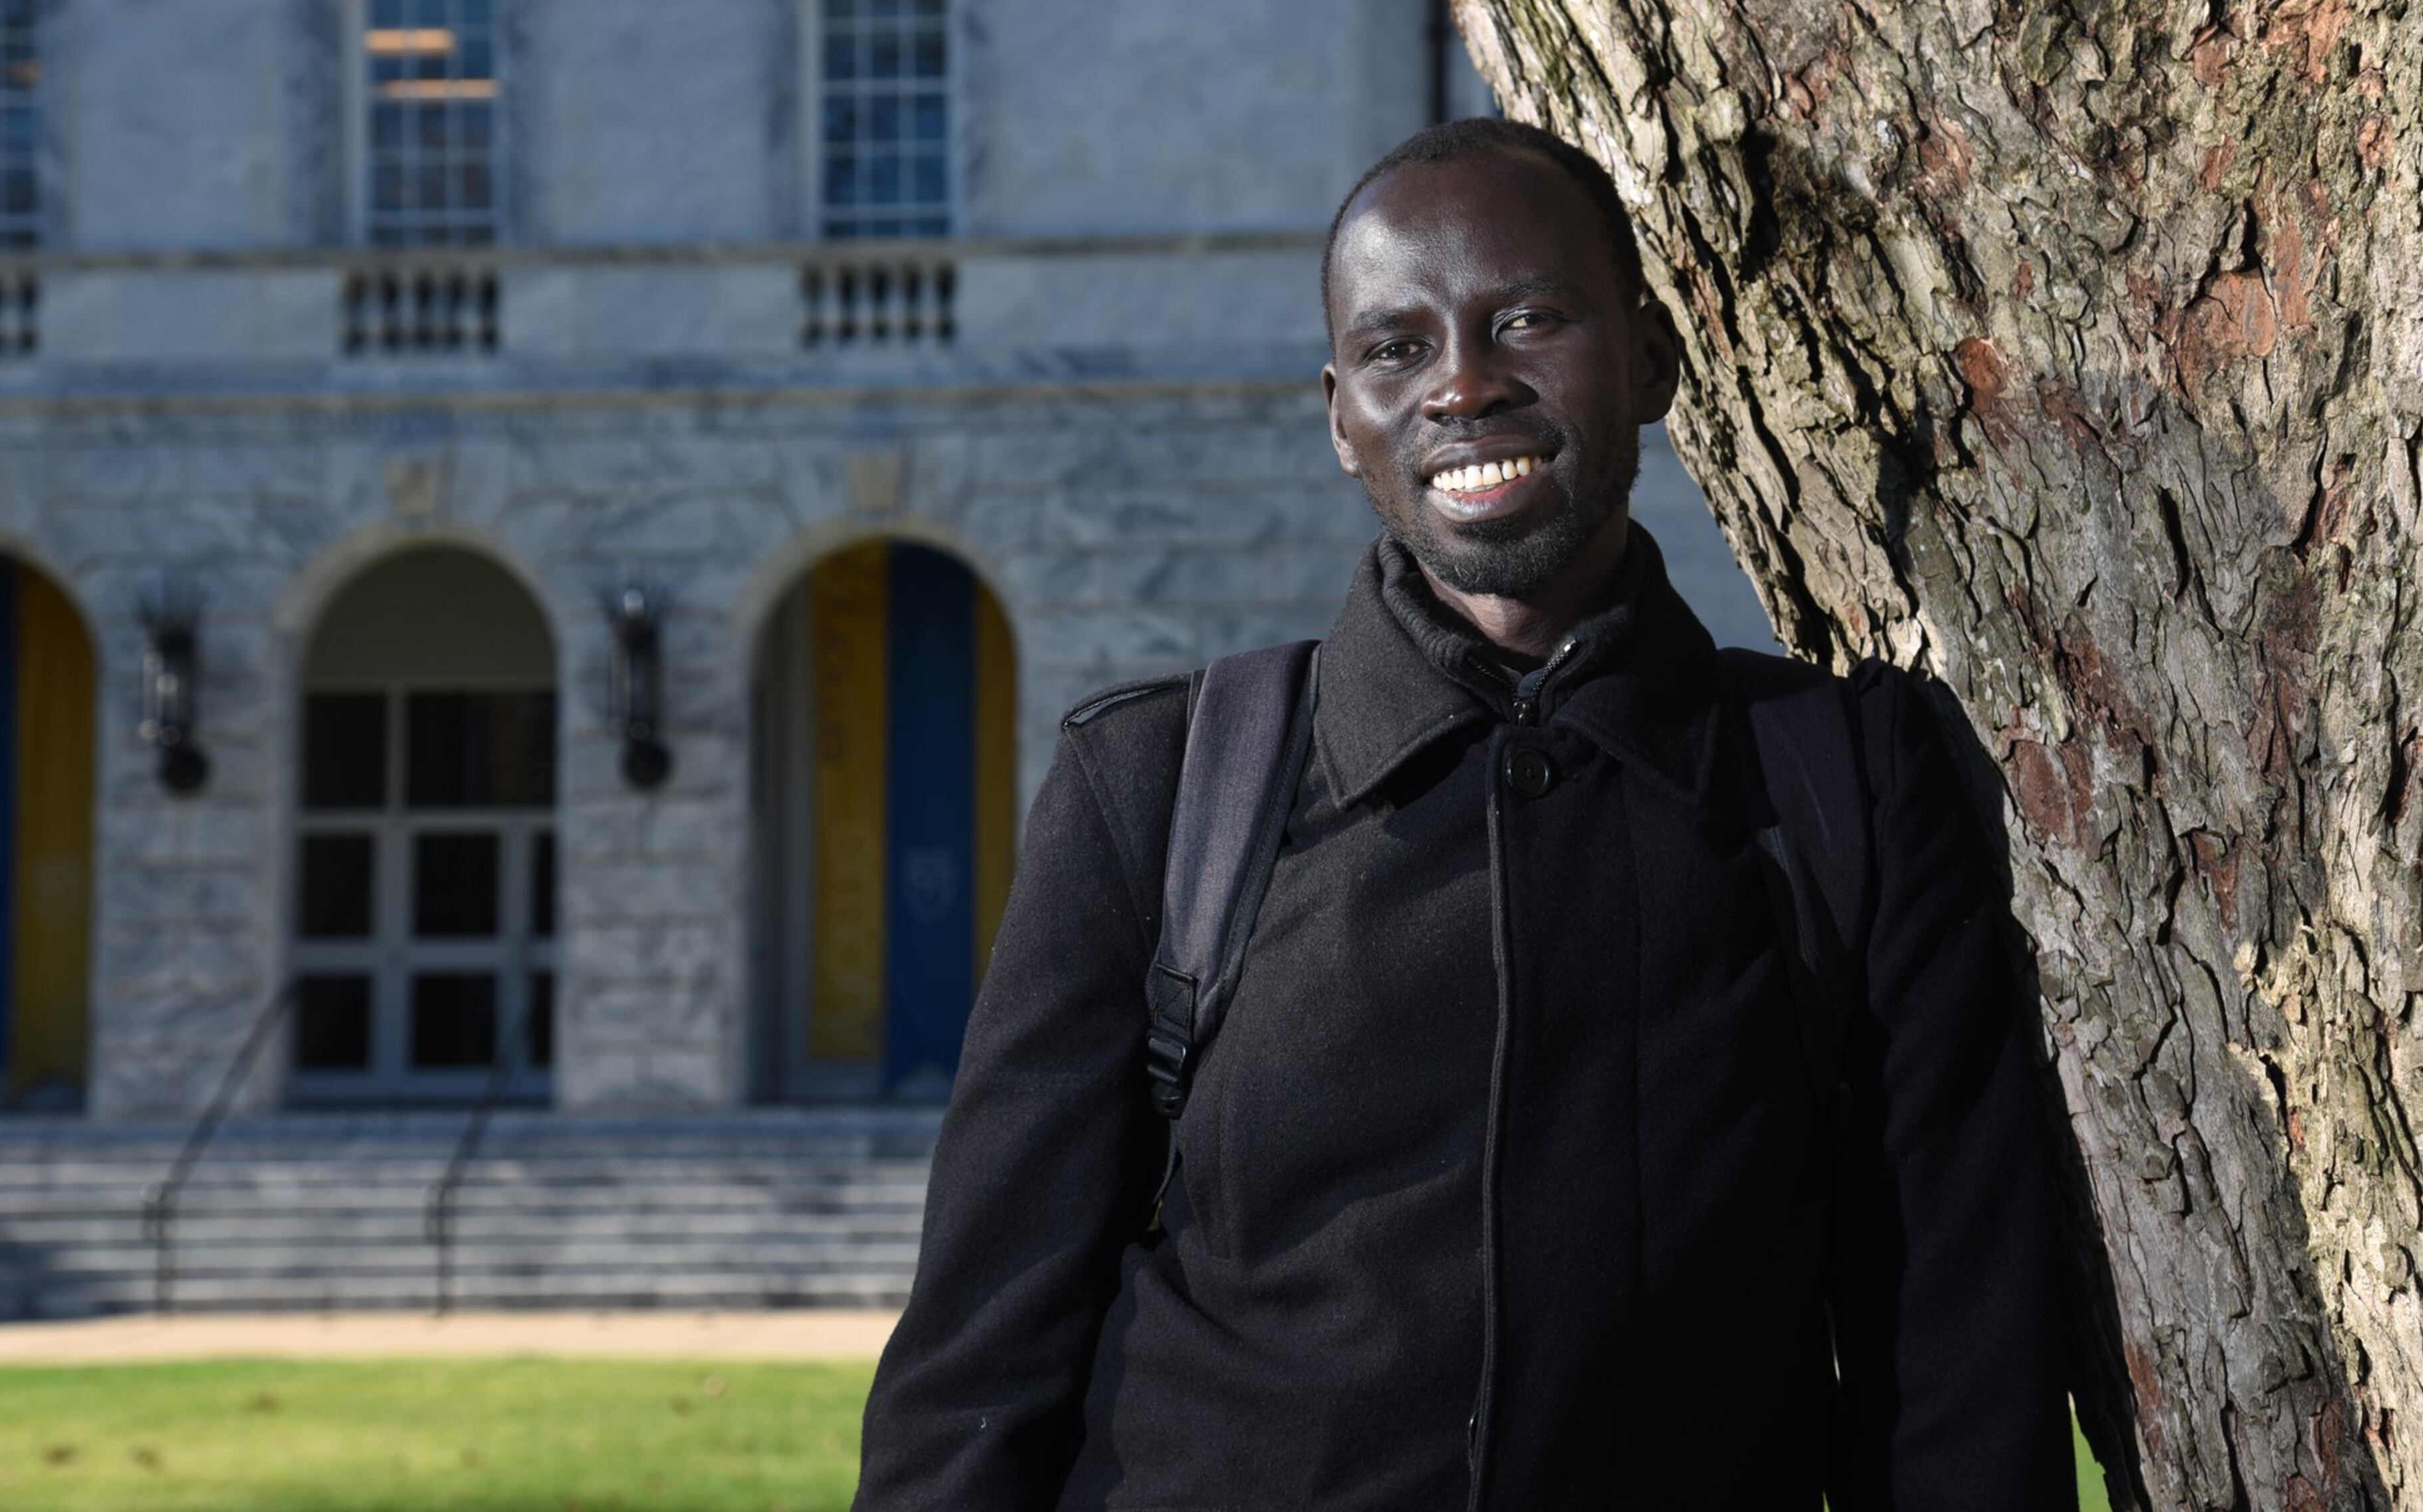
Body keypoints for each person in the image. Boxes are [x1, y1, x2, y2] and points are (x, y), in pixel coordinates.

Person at [851, 118, 2071, 1511]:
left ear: (1654, 356)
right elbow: (977, 1366)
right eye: (1396, 349)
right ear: (1340, 417)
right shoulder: (1160, 790)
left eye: (1530, 319)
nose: (1463, 385)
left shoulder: (1843, 784)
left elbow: (1961, 1371)